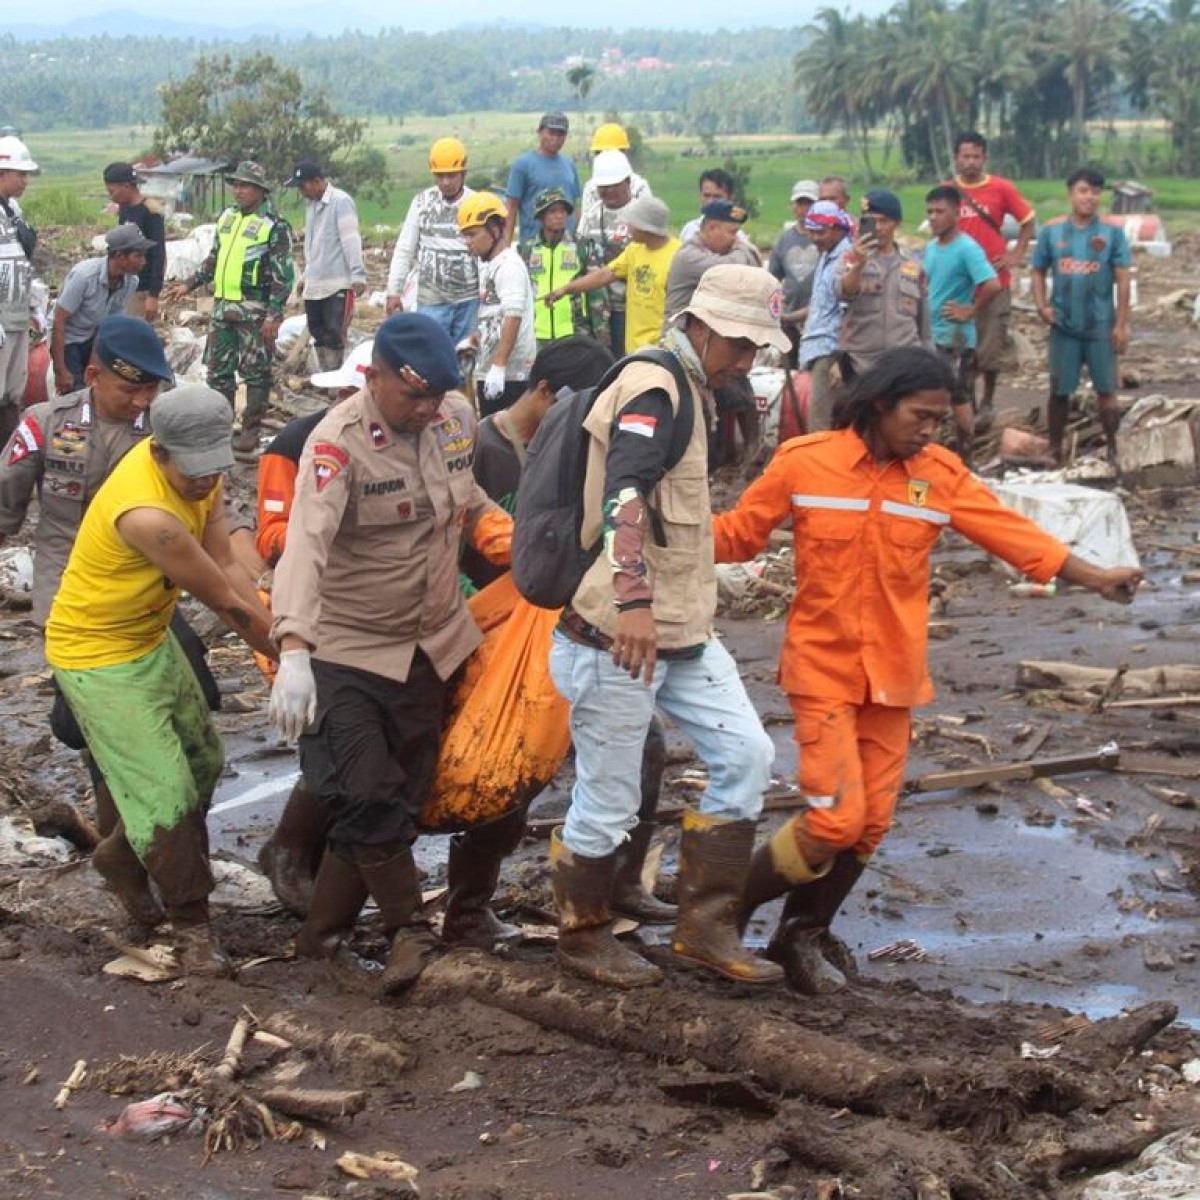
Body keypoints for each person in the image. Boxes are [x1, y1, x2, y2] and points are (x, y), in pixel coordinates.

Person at [715, 347, 1142, 993]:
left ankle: (797, 937)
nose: (931, 430)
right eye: (922, 415)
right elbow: (741, 533)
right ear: (882, 404)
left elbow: (1013, 536)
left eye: (940, 420)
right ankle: (725, 911)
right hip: (822, 669)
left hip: (893, 675)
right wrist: (652, 533)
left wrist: (1095, 576)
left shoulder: (938, 474)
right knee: (835, 819)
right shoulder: (807, 462)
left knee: (872, 822)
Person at [547, 264, 790, 990]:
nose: (747, 360)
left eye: (757, 348)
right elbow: (626, 488)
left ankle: (704, 926)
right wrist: (632, 600)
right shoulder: (655, 387)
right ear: (703, 323)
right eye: (740, 343)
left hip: (682, 626)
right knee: (611, 797)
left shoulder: (697, 390)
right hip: (619, 630)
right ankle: (583, 936)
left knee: (747, 755)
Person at [267, 313, 514, 995]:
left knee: (396, 804)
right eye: (414, 398)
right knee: (366, 793)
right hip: (345, 648)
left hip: (429, 643)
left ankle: (319, 940)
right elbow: (305, 549)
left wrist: (505, 538)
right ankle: (411, 931)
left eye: (437, 396)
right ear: (372, 378)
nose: (427, 410)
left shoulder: (454, 419)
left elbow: (469, 497)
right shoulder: (337, 446)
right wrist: (292, 649)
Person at [45, 384, 277, 977]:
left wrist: (284, 618)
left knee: (203, 760)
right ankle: (191, 927)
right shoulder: (148, 515)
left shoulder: (205, 474)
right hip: (97, 653)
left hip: (148, 635)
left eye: (213, 469)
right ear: (158, 451)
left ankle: (121, 856)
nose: (205, 482)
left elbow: (226, 558)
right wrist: (291, 657)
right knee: (167, 794)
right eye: (191, 472)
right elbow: (225, 600)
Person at [163, 161, 295, 456]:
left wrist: (274, 314)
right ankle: (221, 431)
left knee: (256, 373)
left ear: (260, 190)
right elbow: (213, 259)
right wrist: (190, 283)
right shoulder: (227, 219)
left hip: (255, 311)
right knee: (218, 373)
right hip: (223, 310)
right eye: (235, 185)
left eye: (245, 185)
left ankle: (250, 431)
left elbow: (282, 275)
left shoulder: (274, 225)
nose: (238, 191)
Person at [1030, 167, 1132, 466]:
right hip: (1064, 325)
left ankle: (1113, 448)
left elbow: (1123, 280)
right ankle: (1055, 448)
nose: (1090, 197)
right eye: (1084, 191)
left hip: (1100, 325)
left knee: (1106, 390)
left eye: (1096, 192)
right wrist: (1040, 305)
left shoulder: (1112, 234)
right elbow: (1037, 269)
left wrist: (1121, 324)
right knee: (1059, 390)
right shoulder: (1052, 232)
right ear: (1071, 194)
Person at [665, 199, 763, 464]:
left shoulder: (714, 252)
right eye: (731, 233)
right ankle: (710, 465)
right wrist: (746, 249)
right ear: (710, 228)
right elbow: (736, 270)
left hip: (712, 346)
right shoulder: (689, 256)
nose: (736, 240)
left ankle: (746, 459)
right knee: (703, 412)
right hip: (686, 349)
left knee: (741, 397)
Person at [950, 132, 1037, 431]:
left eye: (976, 156)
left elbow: (1028, 221)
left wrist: (1017, 253)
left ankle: (987, 401)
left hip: (994, 280)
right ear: (956, 158)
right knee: (962, 349)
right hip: (959, 285)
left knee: (991, 344)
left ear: (984, 158)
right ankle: (967, 405)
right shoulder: (947, 191)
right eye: (965, 156)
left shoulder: (1001, 188)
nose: (970, 162)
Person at [544, 196, 679, 357]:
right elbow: (604, 274)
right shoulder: (634, 250)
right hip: (634, 349)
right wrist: (566, 289)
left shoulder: (678, 256)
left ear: (645, 228)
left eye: (632, 224)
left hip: (661, 349)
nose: (628, 229)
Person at [922, 185, 1001, 460]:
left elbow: (992, 284)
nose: (933, 217)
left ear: (956, 213)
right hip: (933, 333)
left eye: (940, 212)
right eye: (930, 212)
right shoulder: (932, 247)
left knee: (959, 396)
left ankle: (967, 455)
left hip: (956, 337)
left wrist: (970, 310)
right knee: (932, 392)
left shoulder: (967, 248)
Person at [385, 138, 479, 342]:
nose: (445, 182)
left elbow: (488, 252)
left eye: (451, 176)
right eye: (440, 176)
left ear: (463, 173)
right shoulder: (422, 203)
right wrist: (394, 291)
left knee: (467, 357)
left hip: (469, 300)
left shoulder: (476, 204)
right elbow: (405, 249)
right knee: (431, 354)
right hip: (432, 300)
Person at [283, 159, 367, 373]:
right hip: (315, 284)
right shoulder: (311, 206)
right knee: (317, 331)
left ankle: (335, 380)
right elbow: (313, 245)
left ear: (317, 181)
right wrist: (305, 278)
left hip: (336, 283)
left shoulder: (341, 202)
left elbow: (350, 239)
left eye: (303, 186)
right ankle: (326, 375)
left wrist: (357, 274)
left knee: (334, 334)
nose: (301, 191)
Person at [457, 192, 537, 416]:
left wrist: (499, 366)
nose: (468, 242)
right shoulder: (490, 266)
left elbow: (513, 315)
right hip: (491, 371)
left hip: (510, 377)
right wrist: (475, 340)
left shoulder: (509, 266)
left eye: (472, 234)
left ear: (494, 230)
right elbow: (495, 316)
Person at [836, 189, 928, 380]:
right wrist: (859, 264)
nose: (877, 227)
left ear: (897, 223)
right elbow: (845, 291)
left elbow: (924, 318)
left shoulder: (912, 264)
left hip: (905, 361)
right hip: (862, 362)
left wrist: (929, 355)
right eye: (871, 221)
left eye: (883, 221)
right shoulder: (850, 258)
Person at [50, 224, 152, 394]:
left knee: (93, 387)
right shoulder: (84, 276)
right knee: (73, 392)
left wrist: (93, 364)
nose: (143, 261)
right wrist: (60, 370)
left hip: (92, 335)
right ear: (119, 255)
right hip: (68, 337)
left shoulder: (130, 282)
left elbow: (107, 325)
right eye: (138, 256)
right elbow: (59, 321)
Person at [575, 147, 651, 356]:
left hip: (635, 309)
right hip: (599, 313)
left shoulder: (644, 215)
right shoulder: (590, 217)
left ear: (627, 182)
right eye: (603, 187)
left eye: (614, 186)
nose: (608, 192)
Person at [798, 200, 853, 432]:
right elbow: (821, 306)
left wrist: (840, 361)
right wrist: (788, 318)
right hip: (818, 347)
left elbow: (848, 314)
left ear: (838, 229)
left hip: (830, 353)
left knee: (820, 423)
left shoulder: (845, 260)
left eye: (820, 232)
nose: (815, 238)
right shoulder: (826, 255)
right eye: (811, 232)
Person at [0, 134, 39, 446]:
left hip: (16, 316)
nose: (25, 180)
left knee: (13, 391)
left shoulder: (13, 211)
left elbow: (22, 264)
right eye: (20, 174)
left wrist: (35, 306)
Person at [504, 112, 582, 250]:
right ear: (540, 132)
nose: (556, 138)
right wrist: (505, 248)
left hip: (567, 247)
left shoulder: (569, 164)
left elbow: (575, 206)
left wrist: (578, 240)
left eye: (560, 134)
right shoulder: (523, 165)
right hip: (533, 247)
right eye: (551, 133)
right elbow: (511, 208)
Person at [102, 162, 167, 323]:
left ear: (126, 186)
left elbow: (158, 255)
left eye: (112, 191)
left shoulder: (150, 211)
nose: (111, 196)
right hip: (123, 286)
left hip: (141, 290)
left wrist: (153, 295)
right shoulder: (124, 209)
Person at [523, 188, 587, 347]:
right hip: (537, 334)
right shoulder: (528, 249)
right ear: (541, 216)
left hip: (573, 332)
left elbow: (596, 293)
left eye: (563, 211)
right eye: (552, 211)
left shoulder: (581, 246)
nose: (559, 216)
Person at [768, 179, 820, 365]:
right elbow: (771, 279)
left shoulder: (825, 238)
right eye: (800, 203)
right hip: (788, 321)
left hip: (817, 321)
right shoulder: (785, 240)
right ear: (793, 206)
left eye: (809, 203)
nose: (804, 208)